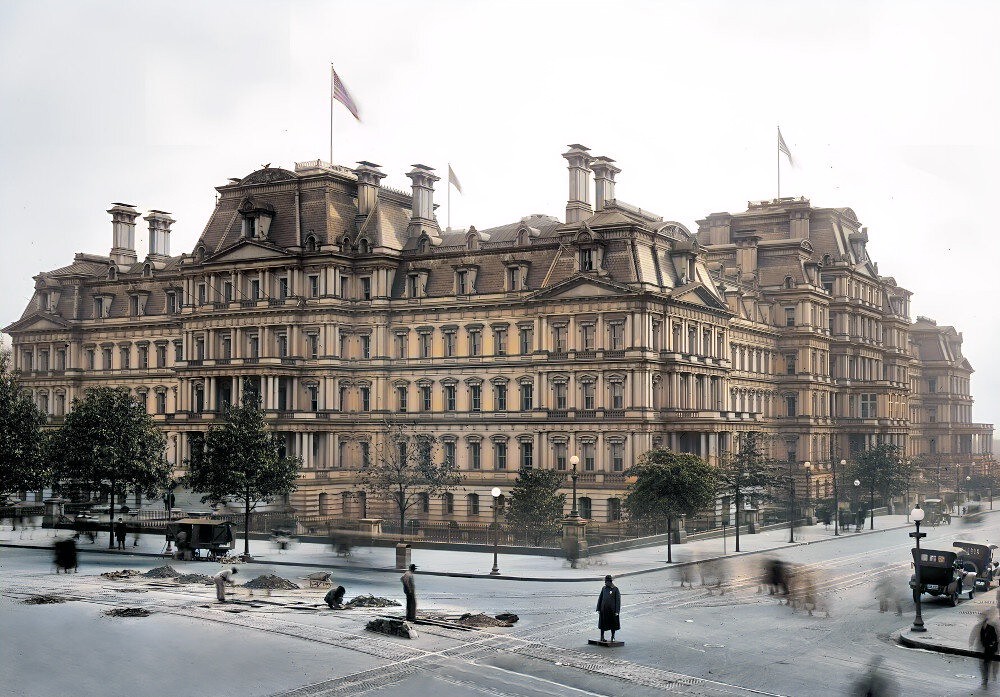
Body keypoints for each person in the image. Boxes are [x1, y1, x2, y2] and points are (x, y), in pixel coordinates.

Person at [970, 611, 999, 689]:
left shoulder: (991, 627)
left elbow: (995, 639)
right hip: (981, 650)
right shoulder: (978, 626)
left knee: (986, 665)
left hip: (988, 650)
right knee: (982, 666)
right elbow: (973, 635)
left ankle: (985, 680)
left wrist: (992, 645)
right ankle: (985, 679)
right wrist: (971, 644)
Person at [596, 575, 621, 642]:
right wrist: (598, 608)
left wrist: (617, 611)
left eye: (607, 582)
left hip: (612, 611)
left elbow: (618, 601)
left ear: (610, 582)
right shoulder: (603, 588)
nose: (606, 583)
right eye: (605, 582)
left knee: (613, 624)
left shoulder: (615, 589)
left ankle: (613, 637)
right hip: (603, 610)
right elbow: (600, 598)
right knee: (602, 625)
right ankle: (602, 637)